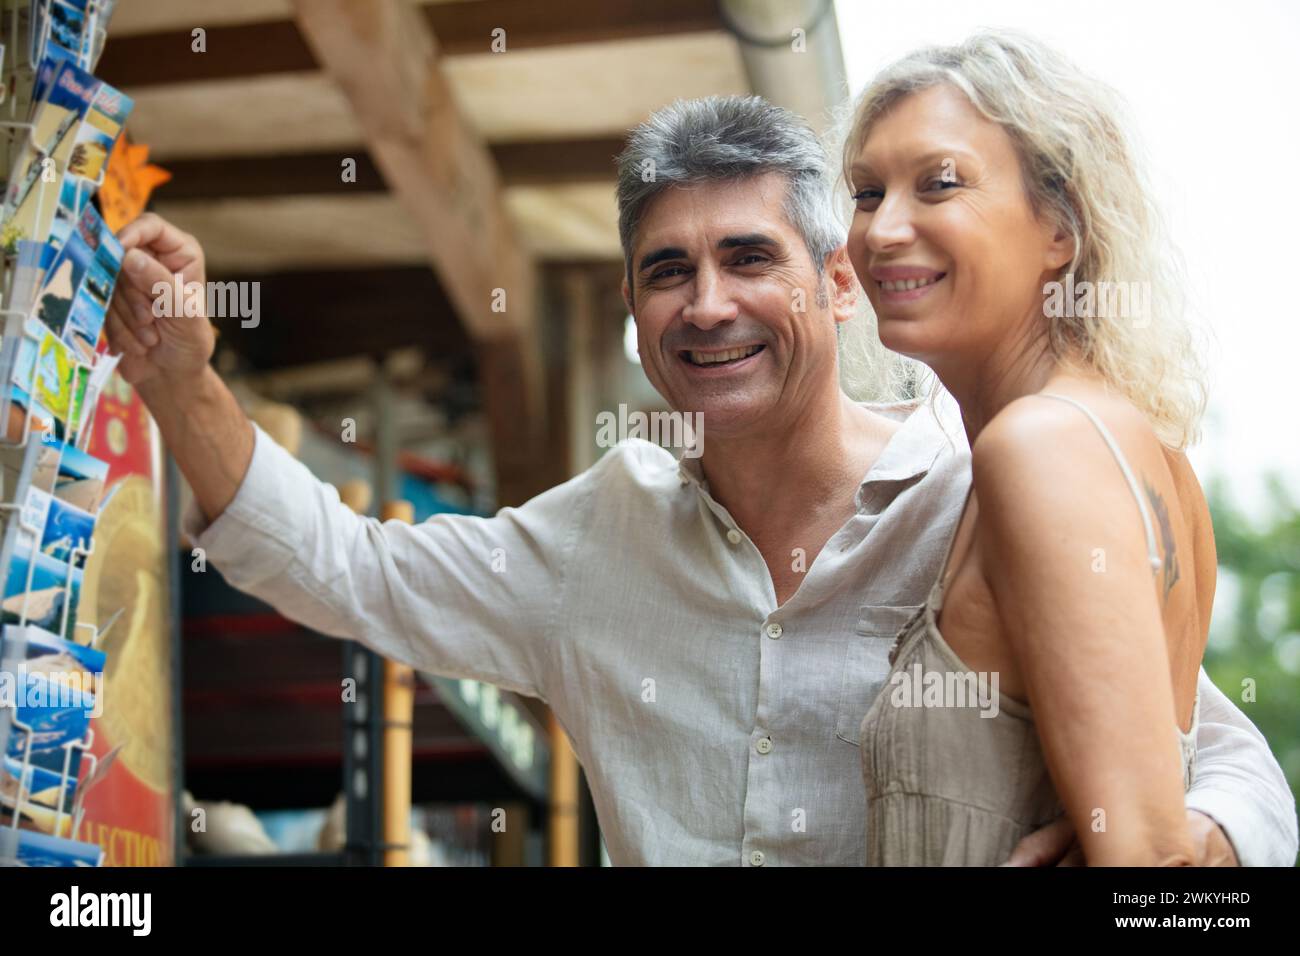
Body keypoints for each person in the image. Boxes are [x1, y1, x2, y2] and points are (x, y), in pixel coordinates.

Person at [105, 95, 1296, 866]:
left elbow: (1227, 757)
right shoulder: (596, 538)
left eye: (746, 257)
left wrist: (1187, 850)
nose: (707, 303)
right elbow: (349, 566)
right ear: (632, 310)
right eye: (667, 269)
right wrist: (183, 380)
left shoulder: (977, 497)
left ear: (838, 283)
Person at [843, 31, 1257, 865]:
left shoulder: (1043, 448)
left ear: (1060, 228)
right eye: (866, 191)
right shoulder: (1128, 443)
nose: (884, 228)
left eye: (939, 184)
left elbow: (1156, 875)